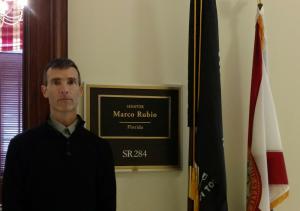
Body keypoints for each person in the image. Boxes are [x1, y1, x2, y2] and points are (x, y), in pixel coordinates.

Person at [2, 58, 116, 211]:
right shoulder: (21, 146)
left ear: (80, 90)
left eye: (71, 82)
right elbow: (12, 205)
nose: (64, 89)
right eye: (56, 82)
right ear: (44, 91)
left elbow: (107, 205)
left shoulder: (100, 149)